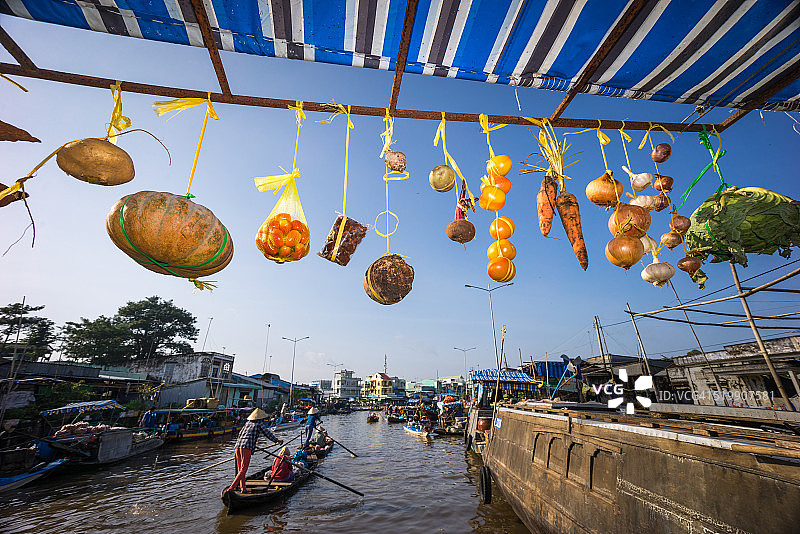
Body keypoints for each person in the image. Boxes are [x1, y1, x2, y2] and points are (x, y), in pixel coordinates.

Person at [225, 408, 283, 495]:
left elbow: (240, 435)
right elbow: (268, 434)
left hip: (237, 446)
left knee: (241, 470)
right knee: (243, 470)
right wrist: (277, 441)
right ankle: (231, 488)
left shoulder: (247, 423)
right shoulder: (259, 424)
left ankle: (243, 488)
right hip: (246, 447)